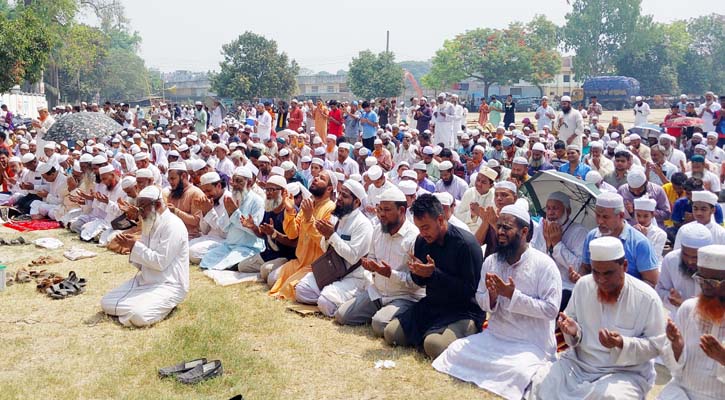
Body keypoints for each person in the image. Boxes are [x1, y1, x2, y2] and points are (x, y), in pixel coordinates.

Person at [433, 203, 560, 399]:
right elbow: (480, 299)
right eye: (498, 226)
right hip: (496, 336)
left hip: (530, 343)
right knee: (456, 350)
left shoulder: (545, 265)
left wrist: (512, 295)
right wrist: (492, 296)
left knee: (521, 372)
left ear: (524, 231)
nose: (499, 232)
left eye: (506, 228)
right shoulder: (491, 261)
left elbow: (551, 310)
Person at [530, 236, 666, 400]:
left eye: (608, 273)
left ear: (624, 266)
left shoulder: (647, 298)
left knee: (609, 397)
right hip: (579, 365)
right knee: (543, 382)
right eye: (596, 272)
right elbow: (571, 324)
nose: (601, 280)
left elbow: (656, 345)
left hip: (624, 373)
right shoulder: (584, 285)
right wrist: (573, 332)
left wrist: (622, 343)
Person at [384, 194, 484, 359]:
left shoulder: (466, 244)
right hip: (433, 305)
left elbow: (471, 291)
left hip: (463, 311)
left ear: (440, 219)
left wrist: (434, 274)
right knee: (391, 333)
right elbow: (420, 282)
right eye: (419, 228)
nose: (422, 233)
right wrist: (417, 273)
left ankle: (467, 331)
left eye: (425, 227)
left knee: (433, 345)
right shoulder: (422, 241)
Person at [334, 187, 423, 335]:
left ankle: (393, 315)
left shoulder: (414, 238)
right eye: (380, 209)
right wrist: (370, 266)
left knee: (379, 324)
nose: (381, 214)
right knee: (342, 315)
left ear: (401, 210)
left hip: (403, 296)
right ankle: (383, 313)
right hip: (378, 292)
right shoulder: (378, 230)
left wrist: (390, 274)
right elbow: (372, 258)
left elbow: (416, 283)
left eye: (387, 210)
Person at [100, 185, 189, 327]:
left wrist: (135, 247)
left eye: (142, 208)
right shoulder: (149, 221)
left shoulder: (173, 225)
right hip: (144, 281)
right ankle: (144, 305)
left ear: (158, 204)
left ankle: (157, 305)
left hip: (169, 285)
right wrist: (130, 248)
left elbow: (160, 262)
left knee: (139, 316)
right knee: (106, 302)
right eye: (139, 209)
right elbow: (142, 263)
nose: (140, 213)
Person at [294, 179, 373, 317]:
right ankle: (331, 296)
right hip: (332, 271)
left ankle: (344, 300)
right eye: (340, 194)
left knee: (325, 302)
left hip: (353, 277)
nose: (340, 199)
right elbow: (326, 250)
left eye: (345, 196)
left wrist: (332, 235)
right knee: (301, 290)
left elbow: (353, 257)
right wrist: (326, 237)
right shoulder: (336, 218)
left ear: (357, 202)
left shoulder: (363, 225)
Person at [659, 244, 725, 400]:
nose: (705, 288)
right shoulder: (688, 309)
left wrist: (723, 358)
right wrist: (677, 346)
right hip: (682, 392)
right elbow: (673, 368)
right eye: (701, 280)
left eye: (713, 282)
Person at [269, 171, 336, 299]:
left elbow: (324, 242)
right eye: (316, 176)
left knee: (288, 289)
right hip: (299, 262)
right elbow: (292, 234)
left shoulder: (331, 209)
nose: (315, 178)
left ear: (329, 188)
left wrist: (309, 218)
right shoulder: (308, 204)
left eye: (321, 178)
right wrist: (289, 210)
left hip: (315, 267)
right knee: (271, 278)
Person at [574, 192, 659, 288]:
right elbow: (586, 267)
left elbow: (651, 281)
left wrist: (624, 292)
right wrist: (580, 278)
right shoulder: (591, 237)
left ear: (621, 215)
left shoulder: (639, 243)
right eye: (598, 216)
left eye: (605, 217)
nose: (600, 221)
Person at [531, 191, 588, 311]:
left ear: (568, 211)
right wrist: (547, 244)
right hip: (540, 282)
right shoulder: (542, 225)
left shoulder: (579, 232)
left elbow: (578, 267)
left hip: (565, 286)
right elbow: (533, 258)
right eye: (548, 208)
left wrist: (557, 245)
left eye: (555, 208)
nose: (550, 212)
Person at [199, 166, 265, 270]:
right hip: (229, 245)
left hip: (247, 247)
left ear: (250, 183)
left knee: (228, 261)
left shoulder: (258, 202)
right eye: (233, 181)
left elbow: (254, 231)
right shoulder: (231, 199)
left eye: (239, 181)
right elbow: (224, 227)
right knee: (207, 259)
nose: (235, 184)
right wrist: (229, 213)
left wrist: (234, 213)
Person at [655, 223, 712, 317]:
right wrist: (671, 297)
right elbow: (660, 290)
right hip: (679, 319)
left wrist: (693, 304)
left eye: (695, 257)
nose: (690, 261)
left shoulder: (717, 267)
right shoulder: (671, 260)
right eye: (685, 255)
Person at [188, 172, 231, 263]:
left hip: (223, 241)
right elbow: (204, 230)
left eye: (208, 190)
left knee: (193, 252)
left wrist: (210, 211)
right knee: (183, 247)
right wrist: (204, 211)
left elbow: (224, 233)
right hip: (208, 238)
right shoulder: (209, 199)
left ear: (219, 186)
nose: (206, 194)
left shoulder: (229, 200)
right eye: (204, 191)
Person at [165, 162, 205, 239]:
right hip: (173, 234)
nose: (170, 182)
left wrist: (176, 211)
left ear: (183, 176)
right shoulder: (172, 194)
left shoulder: (196, 193)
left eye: (173, 179)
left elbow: (196, 221)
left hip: (190, 237)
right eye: (169, 179)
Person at [455, 166, 497, 232]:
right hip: (466, 230)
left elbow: (493, 222)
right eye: (478, 180)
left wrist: (479, 213)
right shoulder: (469, 192)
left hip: (485, 234)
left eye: (483, 182)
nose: (478, 184)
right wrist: (471, 214)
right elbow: (458, 217)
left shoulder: (495, 197)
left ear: (491, 186)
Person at [632, 198, 666, 268]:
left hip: (653, 266)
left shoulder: (660, 234)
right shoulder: (630, 231)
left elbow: (653, 257)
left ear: (652, 215)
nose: (641, 219)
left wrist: (643, 238)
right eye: (638, 215)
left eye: (646, 216)